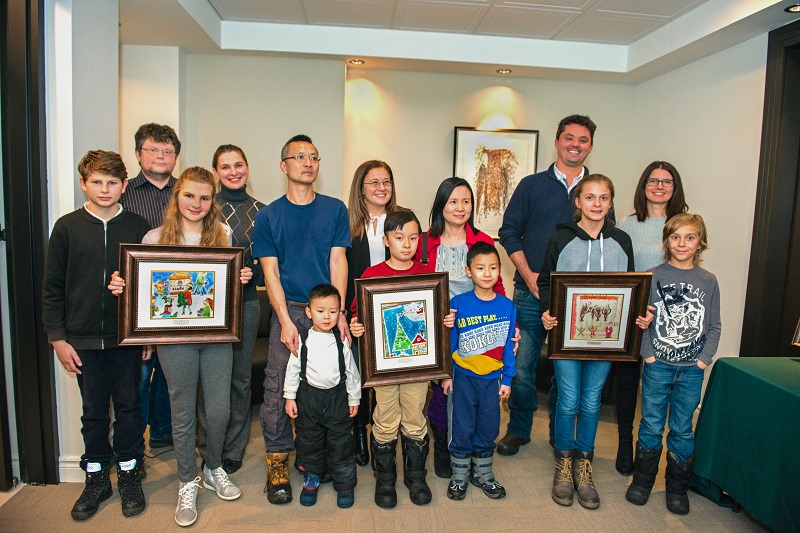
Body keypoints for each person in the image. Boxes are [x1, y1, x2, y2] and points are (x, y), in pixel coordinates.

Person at [110, 167, 253, 527]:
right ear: (177, 197)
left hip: (217, 337)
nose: (196, 203)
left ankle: (214, 466)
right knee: (183, 410)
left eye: (205, 197)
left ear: (212, 202)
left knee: (219, 411)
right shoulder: (154, 237)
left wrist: (241, 277)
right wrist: (122, 285)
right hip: (174, 341)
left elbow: (226, 286)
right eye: (189, 195)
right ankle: (187, 480)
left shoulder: (223, 233)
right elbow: (144, 290)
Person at [42, 150, 150, 520]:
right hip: (82, 339)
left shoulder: (138, 227)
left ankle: (130, 473)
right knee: (93, 412)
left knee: (129, 407)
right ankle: (97, 477)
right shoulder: (67, 227)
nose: (105, 189)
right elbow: (52, 287)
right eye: (97, 182)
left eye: (112, 182)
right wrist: (58, 338)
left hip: (126, 339)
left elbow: (149, 285)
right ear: (83, 183)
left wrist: (146, 335)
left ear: (124, 185)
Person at [538, 174, 652, 509]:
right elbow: (546, 283)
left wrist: (638, 316)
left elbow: (630, 287)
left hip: (605, 340)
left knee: (590, 402)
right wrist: (546, 311)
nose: (597, 203)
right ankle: (563, 466)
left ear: (611, 202)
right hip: (566, 338)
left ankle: (583, 467)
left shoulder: (621, 241)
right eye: (590, 197)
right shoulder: (560, 238)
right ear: (578, 202)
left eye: (604, 198)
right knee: (568, 400)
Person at [253, 134, 351, 505]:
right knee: (279, 388)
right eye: (299, 156)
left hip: (327, 311)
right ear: (284, 166)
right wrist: (285, 320)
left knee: (331, 385)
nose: (307, 162)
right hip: (291, 311)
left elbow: (338, 260)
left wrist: (338, 313)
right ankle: (278, 464)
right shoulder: (269, 216)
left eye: (313, 156)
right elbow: (270, 272)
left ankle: (320, 458)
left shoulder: (335, 209)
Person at [497, 114, 597, 456]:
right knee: (522, 368)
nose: (575, 145)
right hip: (529, 294)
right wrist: (530, 276)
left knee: (563, 371)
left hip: (575, 301)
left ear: (590, 146)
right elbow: (509, 232)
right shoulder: (531, 185)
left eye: (582, 140)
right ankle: (519, 429)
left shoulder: (594, 192)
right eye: (569, 138)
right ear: (557, 142)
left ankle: (560, 435)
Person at [350, 210, 455, 509]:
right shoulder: (371, 275)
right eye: (399, 238)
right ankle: (385, 480)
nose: (406, 244)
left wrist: (445, 320)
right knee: (384, 419)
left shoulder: (428, 274)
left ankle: (416, 476)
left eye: (412, 238)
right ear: (386, 241)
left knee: (414, 418)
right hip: (383, 369)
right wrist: (357, 325)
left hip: (417, 367)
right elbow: (359, 314)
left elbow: (437, 315)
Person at [626, 213, 720, 516]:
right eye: (675, 237)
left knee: (682, 428)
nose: (682, 243)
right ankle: (642, 481)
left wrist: (703, 360)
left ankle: (677, 488)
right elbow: (641, 321)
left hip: (692, 370)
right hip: (658, 365)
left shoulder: (708, 281)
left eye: (690, 237)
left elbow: (714, 326)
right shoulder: (653, 276)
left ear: (700, 243)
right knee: (652, 423)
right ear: (666, 241)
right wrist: (649, 354)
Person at [415, 177, 506, 478]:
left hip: (474, 331)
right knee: (441, 393)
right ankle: (444, 445)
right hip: (434, 330)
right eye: (453, 201)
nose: (459, 207)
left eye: (466, 201)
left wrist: (510, 325)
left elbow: (497, 287)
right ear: (441, 204)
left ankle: (471, 449)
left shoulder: (483, 241)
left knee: (472, 393)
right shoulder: (424, 242)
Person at [614, 161, 688, 475]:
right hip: (634, 315)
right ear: (643, 186)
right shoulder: (626, 224)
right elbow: (620, 270)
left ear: (675, 187)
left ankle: (656, 450)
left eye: (666, 181)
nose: (659, 186)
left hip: (669, 318)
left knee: (659, 385)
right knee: (627, 382)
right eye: (653, 181)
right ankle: (624, 442)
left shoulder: (682, 224)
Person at [196, 145, 266, 475]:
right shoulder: (204, 207)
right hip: (205, 307)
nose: (233, 172)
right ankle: (208, 444)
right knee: (207, 380)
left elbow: (269, 263)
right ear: (216, 172)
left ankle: (235, 445)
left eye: (238, 165)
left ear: (247, 167)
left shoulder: (262, 212)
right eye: (225, 167)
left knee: (240, 378)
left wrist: (254, 273)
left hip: (246, 304)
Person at [121, 123, 182, 454]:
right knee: (140, 376)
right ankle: (132, 447)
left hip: (179, 297)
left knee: (171, 374)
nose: (161, 156)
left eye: (167, 151)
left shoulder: (185, 192)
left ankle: (161, 432)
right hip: (137, 298)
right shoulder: (124, 192)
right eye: (153, 149)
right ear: (137, 154)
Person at [441, 242, 516, 501]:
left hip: (492, 380)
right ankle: (459, 475)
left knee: (488, 425)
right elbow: (450, 342)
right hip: (462, 377)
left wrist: (507, 378)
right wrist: (447, 375)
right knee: (461, 425)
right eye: (480, 268)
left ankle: (483, 473)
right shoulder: (458, 304)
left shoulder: (507, 307)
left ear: (499, 269)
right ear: (468, 271)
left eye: (493, 268)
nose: (487, 273)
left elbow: (508, 346)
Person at [284, 284, 361, 509]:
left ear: (339, 312)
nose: (327, 317)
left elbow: (351, 372)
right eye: (320, 311)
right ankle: (312, 478)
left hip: (337, 398)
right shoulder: (302, 340)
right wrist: (289, 397)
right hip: (309, 399)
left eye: (333, 311)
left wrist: (354, 398)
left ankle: (345, 483)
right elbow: (293, 370)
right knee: (309, 440)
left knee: (341, 441)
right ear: (309, 312)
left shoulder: (341, 341)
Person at [345, 160, 401, 467]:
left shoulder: (402, 220)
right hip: (359, 314)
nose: (382, 188)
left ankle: (385, 436)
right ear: (361, 188)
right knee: (359, 376)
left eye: (387, 181)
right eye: (374, 182)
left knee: (388, 379)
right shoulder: (348, 224)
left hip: (395, 313)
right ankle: (359, 433)